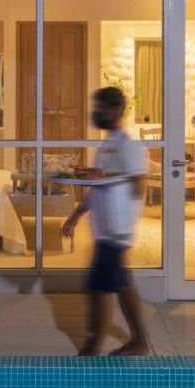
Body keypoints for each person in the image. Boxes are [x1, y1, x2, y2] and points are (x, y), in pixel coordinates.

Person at [62, 87, 149, 356]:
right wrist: (75, 216)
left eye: (101, 108)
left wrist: (111, 180)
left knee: (98, 288)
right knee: (123, 285)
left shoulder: (129, 147)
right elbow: (96, 187)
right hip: (105, 229)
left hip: (116, 230)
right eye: (96, 107)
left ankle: (92, 350)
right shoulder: (107, 146)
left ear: (116, 110)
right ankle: (140, 342)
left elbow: (138, 188)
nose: (96, 112)